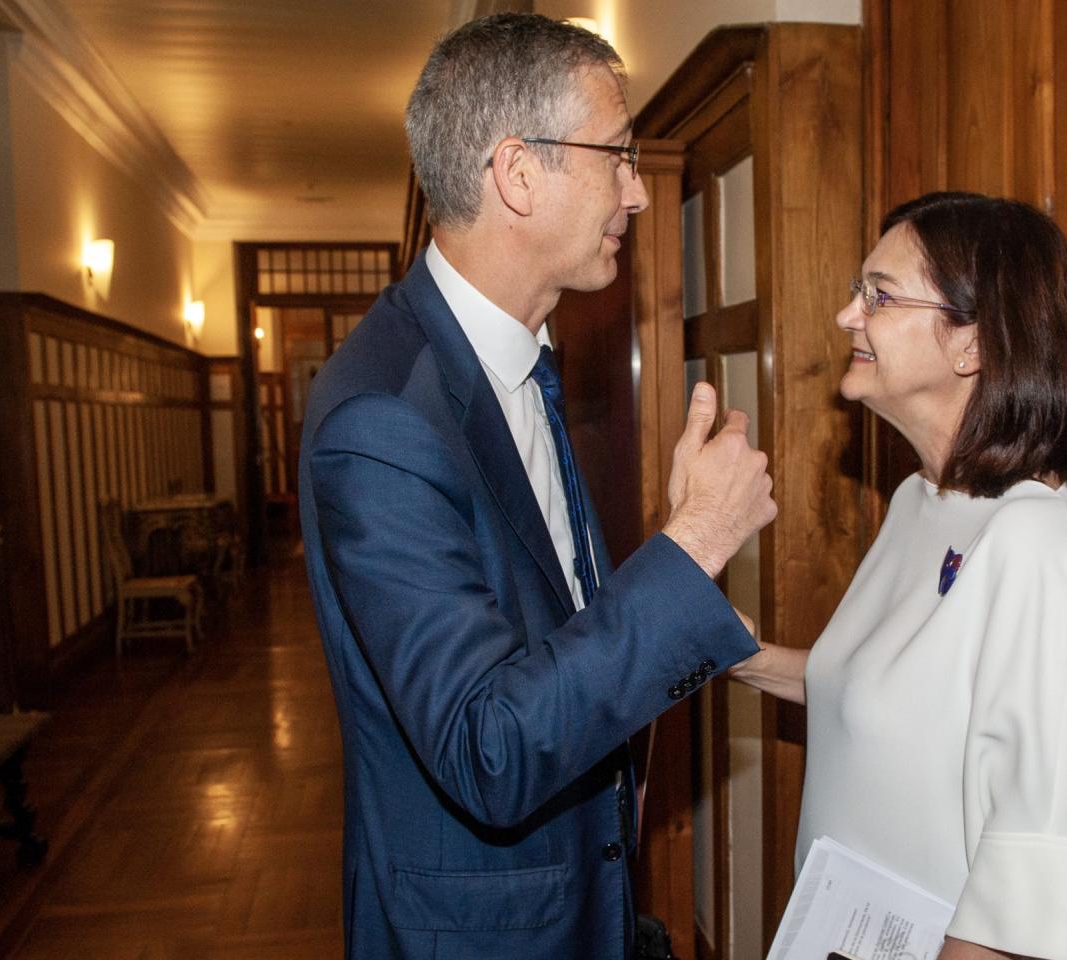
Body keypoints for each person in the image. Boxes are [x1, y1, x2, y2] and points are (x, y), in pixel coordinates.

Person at [298, 15, 775, 957]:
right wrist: (695, 542)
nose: (637, 191)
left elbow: (549, 642)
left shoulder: (511, 359)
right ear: (518, 173)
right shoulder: (383, 419)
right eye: (618, 155)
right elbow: (489, 747)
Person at [730, 192, 1067, 960]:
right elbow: (882, 692)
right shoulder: (917, 502)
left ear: (973, 345)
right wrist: (739, 656)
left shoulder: (1038, 539)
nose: (848, 316)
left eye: (880, 295)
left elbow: (1034, 875)